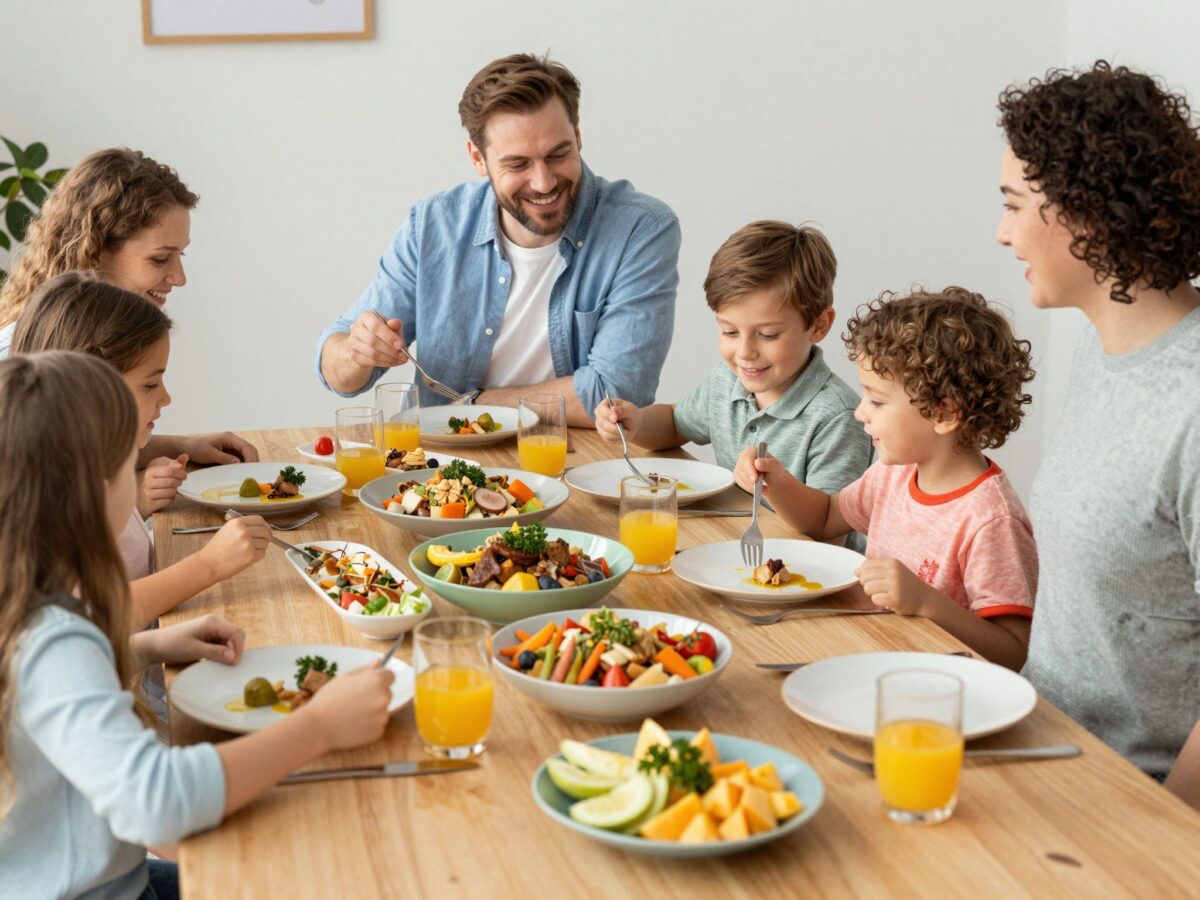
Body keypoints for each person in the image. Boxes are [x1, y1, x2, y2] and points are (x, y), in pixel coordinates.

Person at [0, 351, 395, 900]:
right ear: (94, 486)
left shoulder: (23, 603)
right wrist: (320, 726)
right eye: (129, 462)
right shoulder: (54, 643)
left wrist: (144, 646)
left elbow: (36, 696)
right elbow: (155, 803)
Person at [996, 61, 1200, 789]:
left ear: (1085, 212)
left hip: (1128, 805)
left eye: (1015, 205)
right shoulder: (1103, 347)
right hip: (1040, 748)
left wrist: (1161, 840)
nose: (1001, 233)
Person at [316, 52, 680, 425]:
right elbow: (336, 370)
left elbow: (617, 391)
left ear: (578, 136)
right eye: (518, 164)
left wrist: (475, 405)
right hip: (444, 471)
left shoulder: (642, 229)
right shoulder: (433, 225)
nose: (544, 183)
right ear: (478, 157)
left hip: (575, 463)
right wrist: (356, 352)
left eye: (558, 154)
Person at [738, 288, 1037, 670]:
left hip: (938, 690)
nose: (860, 413)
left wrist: (926, 602)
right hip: (875, 655)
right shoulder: (893, 473)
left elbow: (1013, 652)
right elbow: (826, 518)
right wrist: (778, 483)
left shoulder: (991, 521)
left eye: (876, 401)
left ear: (944, 414)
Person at [11, 272, 269, 629]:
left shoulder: (89, 465)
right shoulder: (57, 502)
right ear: (93, 392)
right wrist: (210, 565)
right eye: (150, 384)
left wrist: (184, 445)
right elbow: (95, 618)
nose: (166, 398)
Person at [593, 220, 870, 546]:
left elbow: (827, 530)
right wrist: (637, 422)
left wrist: (776, 486)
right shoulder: (727, 379)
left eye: (768, 335)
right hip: (733, 548)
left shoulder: (838, 415)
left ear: (819, 325)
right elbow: (675, 423)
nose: (745, 352)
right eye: (729, 332)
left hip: (810, 574)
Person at [0, 146, 258, 470]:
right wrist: (138, 499)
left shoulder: (87, 337)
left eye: (181, 256)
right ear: (94, 251)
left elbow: (87, 450)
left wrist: (185, 445)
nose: (180, 278)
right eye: (160, 259)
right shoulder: (26, 357)